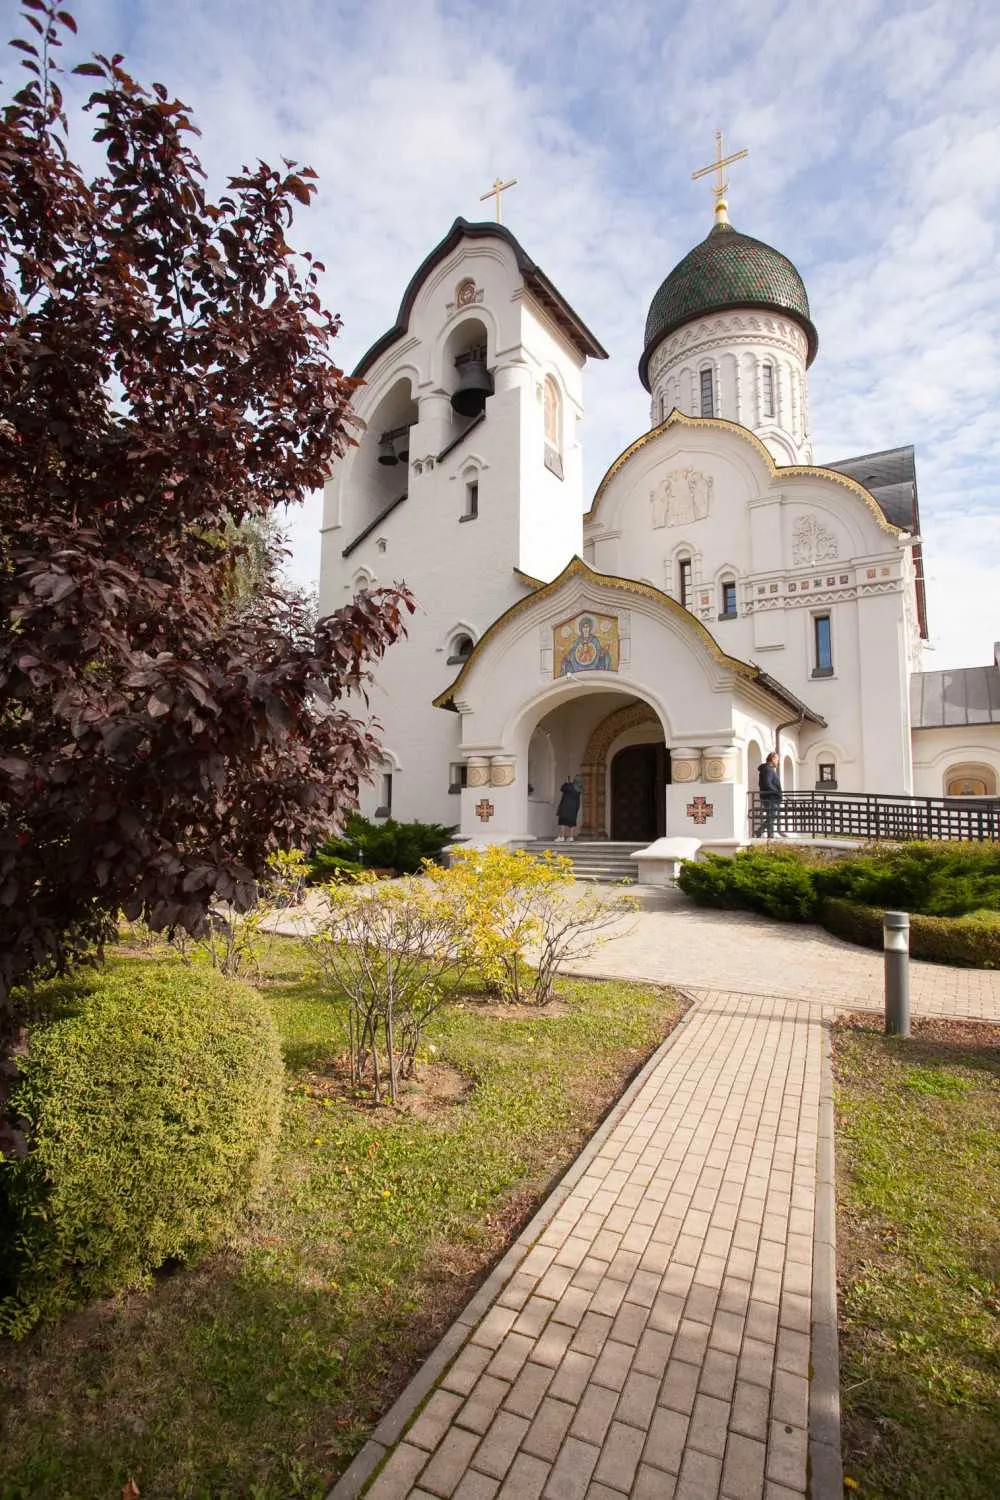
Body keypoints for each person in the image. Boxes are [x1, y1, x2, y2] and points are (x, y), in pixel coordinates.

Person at [758, 751, 783, 838]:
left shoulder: (768, 769)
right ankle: (764, 833)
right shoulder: (767, 769)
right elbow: (767, 783)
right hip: (770, 797)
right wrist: (776, 792)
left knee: (771, 816)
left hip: (771, 797)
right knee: (772, 816)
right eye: (777, 760)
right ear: (772, 759)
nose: (777, 762)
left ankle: (767, 833)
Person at [555, 776, 581, 841]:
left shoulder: (569, 786)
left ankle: (562, 837)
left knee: (562, 821)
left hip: (565, 806)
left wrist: (566, 783)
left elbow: (562, 789)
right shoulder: (578, 789)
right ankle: (571, 837)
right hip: (574, 808)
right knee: (572, 822)